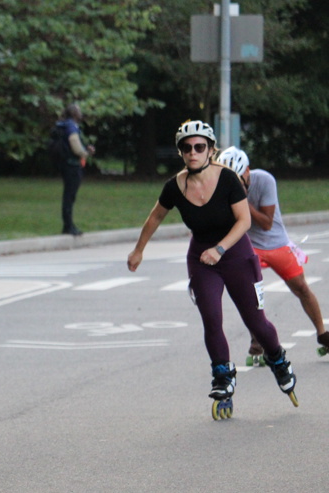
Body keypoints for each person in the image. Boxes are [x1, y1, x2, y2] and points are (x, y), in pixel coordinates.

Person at [127, 120, 297, 412]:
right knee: (211, 318)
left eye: (199, 147)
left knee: (255, 321)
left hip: (236, 254)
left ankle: (278, 360)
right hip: (202, 258)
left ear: (210, 150)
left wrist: (220, 249)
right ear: (181, 152)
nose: (193, 153)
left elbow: (244, 221)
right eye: (187, 148)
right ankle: (222, 376)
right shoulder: (175, 186)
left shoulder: (228, 179)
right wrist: (138, 250)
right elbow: (155, 216)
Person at [216, 146, 329, 357]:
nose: (235, 185)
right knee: (249, 292)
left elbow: (267, 223)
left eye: (239, 179)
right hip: (249, 246)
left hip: (276, 242)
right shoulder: (222, 188)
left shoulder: (264, 180)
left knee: (301, 287)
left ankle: (322, 333)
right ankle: (257, 339)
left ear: (247, 171)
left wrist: (243, 202)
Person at [56, 103, 94, 236]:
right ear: (74, 114)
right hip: (72, 166)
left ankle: (68, 224)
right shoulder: (71, 127)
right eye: (79, 111)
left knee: (68, 195)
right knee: (69, 196)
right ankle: (68, 226)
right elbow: (76, 147)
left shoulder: (63, 125)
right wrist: (86, 153)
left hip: (65, 164)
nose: (81, 113)